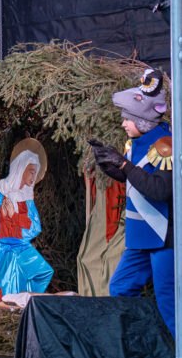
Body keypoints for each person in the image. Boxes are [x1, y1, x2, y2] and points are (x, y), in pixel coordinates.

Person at [90, 68, 173, 335]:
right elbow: (136, 180)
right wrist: (110, 165)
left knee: (169, 301)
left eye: (128, 118)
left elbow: (159, 190)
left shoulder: (166, 145)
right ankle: (141, 342)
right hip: (142, 237)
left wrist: (124, 165)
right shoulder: (136, 144)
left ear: (143, 120)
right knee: (121, 287)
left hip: (165, 237)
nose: (123, 123)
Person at [0, 138, 53, 304]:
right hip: (2, 245)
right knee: (9, 268)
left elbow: (34, 227)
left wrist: (15, 215)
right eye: (31, 171)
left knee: (44, 272)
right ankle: (8, 305)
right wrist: (3, 213)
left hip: (21, 245)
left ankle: (26, 301)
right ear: (21, 168)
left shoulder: (27, 196)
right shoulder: (1, 189)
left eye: (35, 172)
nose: (33, 176)